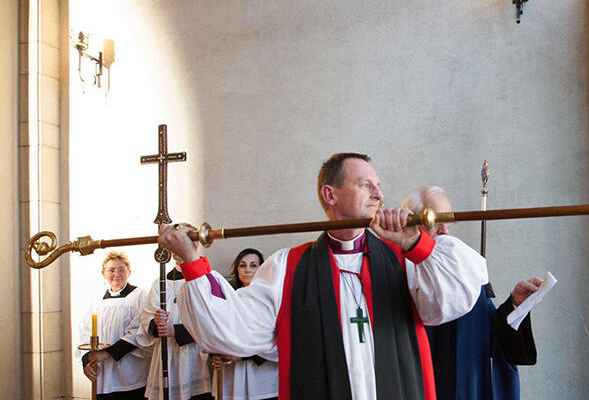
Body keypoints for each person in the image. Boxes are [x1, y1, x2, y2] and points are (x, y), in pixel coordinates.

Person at [159, 152, 488, 400]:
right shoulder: (288, 266)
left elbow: (454, 301)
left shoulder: (402, 258)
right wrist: (191, 259)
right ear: (330, 195)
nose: (379, 195)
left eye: (379, 187)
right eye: (366, 185)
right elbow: (230, 330)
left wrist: (415, 243)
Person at [402, 186, 540, 400]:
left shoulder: (465, 267)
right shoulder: (395, 267)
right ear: (410, 222)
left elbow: (490, 328)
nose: (445, 232)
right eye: (435, 223)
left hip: (468, 385)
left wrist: (514, 305)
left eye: (448, 225)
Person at [138, 245, 213, 400]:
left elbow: (211, 319)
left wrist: (176, 331)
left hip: (194, 354)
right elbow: (146, 317)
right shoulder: (161, 282)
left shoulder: (205, 278)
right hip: (166, 353)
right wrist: (157, 323)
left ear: (195, 245)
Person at [79, 251, 150, 400]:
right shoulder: (96, 300)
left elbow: (139, 331)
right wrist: (87, 362)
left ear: (129, 272)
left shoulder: (140, 296)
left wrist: (107, 354)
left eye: (121, 269)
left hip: (130, 375)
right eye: (111, 270)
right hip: (102, 375)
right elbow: (85, 333)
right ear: (103, 274)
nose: (116, 274)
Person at [210, 248, 278, 400]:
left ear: (262, 269)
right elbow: (216, 330)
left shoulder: (271, 298)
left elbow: (277, 338)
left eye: (253, 265)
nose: (247, 270)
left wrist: (243, 356)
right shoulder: (226, 298)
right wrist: (215, 354)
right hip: (231, 374)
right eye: (242, 265)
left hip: (261, 375)